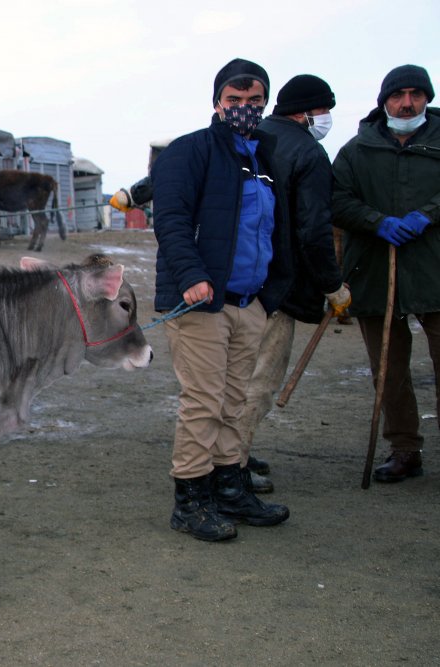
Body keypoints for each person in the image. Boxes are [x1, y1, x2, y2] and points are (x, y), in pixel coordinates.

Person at [153, 58, 293, 542]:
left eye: (255, 101)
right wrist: (191, 274)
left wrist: (271, 293)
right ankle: (190, 499)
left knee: (236, 401)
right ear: (217, 102)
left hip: (249, 301)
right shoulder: (189, 152)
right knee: (204, 401)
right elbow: (170, 218)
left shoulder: (265, 157)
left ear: (265, 103)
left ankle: (229, 489)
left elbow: (276, 227)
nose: (244, 109)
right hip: (202, 303)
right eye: (234, 101)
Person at [239, 75, 352, 493]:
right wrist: (332, 286)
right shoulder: (308, 151)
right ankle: (231, 466)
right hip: (277, 287)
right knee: (259, 382)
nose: (326, 118)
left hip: (235, 280)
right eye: (324, 110)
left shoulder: (248, 136)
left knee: (231, 376)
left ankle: (234, 452)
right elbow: (314, 231)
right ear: (306, 112)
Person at [331, 64, 440, 484]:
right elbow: (336, 199)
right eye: (398, 95)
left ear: (426, 98)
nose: (407, 103)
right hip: (376, 271)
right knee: (389, 369)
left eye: (416, 94)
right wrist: (376, 221)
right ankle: (405, 448)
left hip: (435, 269)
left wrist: (427, 216)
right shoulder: (357, 149)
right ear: (385, 100)